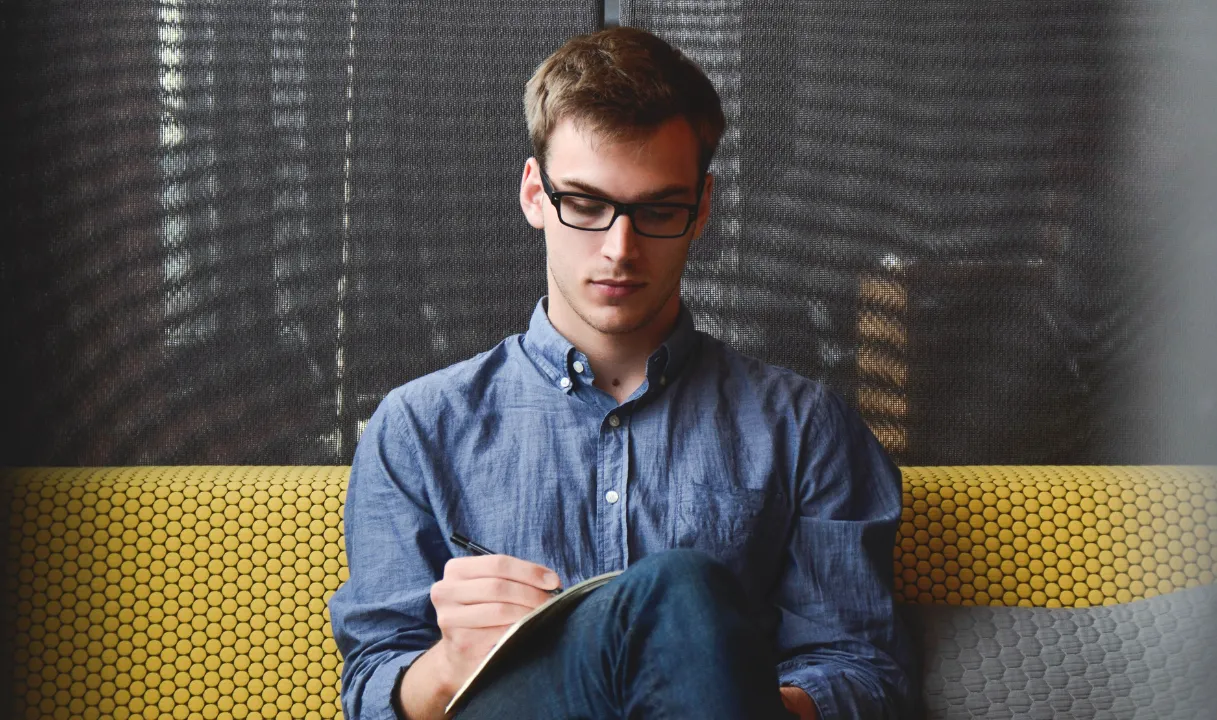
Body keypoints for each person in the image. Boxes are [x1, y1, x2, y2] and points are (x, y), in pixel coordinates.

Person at [330, 26, 913, 720]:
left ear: (700, 209)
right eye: (585, 204)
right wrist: (451, 663)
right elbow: (372, 685)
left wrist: (709, 684)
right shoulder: (419, 426)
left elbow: (863, 674)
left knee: (681, 592)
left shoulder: (805, 427)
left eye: (658, 210)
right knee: (679, 590)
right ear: (535, 195)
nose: (619, 249)